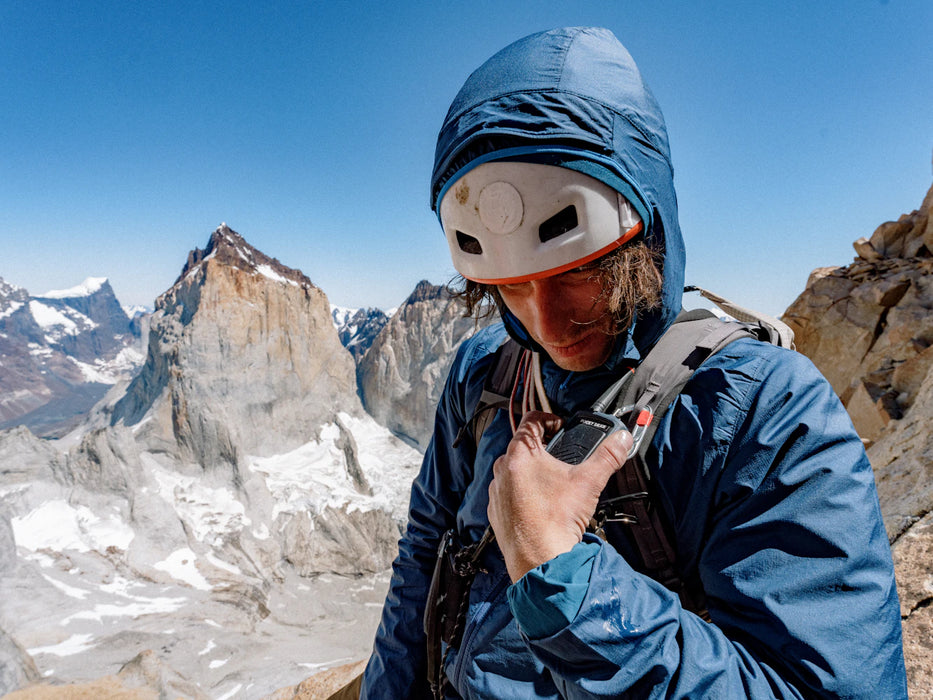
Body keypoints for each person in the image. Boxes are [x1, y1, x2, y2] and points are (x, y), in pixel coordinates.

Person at [357, 26, 908, 699]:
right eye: (510, 285)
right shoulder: (484, 376)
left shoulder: (765, 410)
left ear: (646, 235)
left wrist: (560, 574)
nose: (546, 322)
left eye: (580, 272)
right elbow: (422, 560)